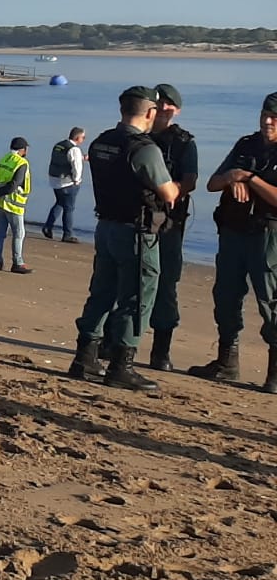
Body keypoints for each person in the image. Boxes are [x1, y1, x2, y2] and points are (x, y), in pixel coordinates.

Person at [66, 86, 181, 393]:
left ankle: (85, 356)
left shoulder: (103, 141)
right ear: (150, 113)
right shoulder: (143, 148)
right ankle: (122, 365)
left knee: (101, 292)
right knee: (137, 298)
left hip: (105, 226)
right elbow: (168, 191)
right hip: (136, 232)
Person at [188, 92, 277, 393]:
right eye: (265, 114)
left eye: (274, 118)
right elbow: (213, 183)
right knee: (226, 297)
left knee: (271, 303)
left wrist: (250, 179)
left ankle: (274, 374)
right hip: (233, 232)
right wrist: (232, 178)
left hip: (268, 237)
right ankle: (227, 362)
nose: (267, 121)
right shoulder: (245, 145)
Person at [146, 84, 197, 370]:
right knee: (124, 282)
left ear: (176, 110)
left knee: (166, 285)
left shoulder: (184, 142)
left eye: (169, 105)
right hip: (134, 220)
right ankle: (114, 342)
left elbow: (190, 180)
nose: (164, 108)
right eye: (160, 103)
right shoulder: (137, 136)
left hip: (168, 224)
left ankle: (160, 351)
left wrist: (171, 190)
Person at [0, 136, 32, 274]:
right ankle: (17, 262)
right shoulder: (22, 163)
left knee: (1, 232)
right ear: (22, 150)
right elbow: (14, 184)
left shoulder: (2, 160)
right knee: (19, 233)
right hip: (14, 204)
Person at [42, 126, 86, 244]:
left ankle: (48, 226)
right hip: (67, 182)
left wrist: (82, 158)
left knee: (60, 203)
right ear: (77, 137)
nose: (84, 140)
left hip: (54, 180)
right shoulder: (75, 150)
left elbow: (65, 158)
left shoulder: (59, 145)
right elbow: (76, 166)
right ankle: (68, 234)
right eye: (83, 137)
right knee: (69, 208)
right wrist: (77, 180)